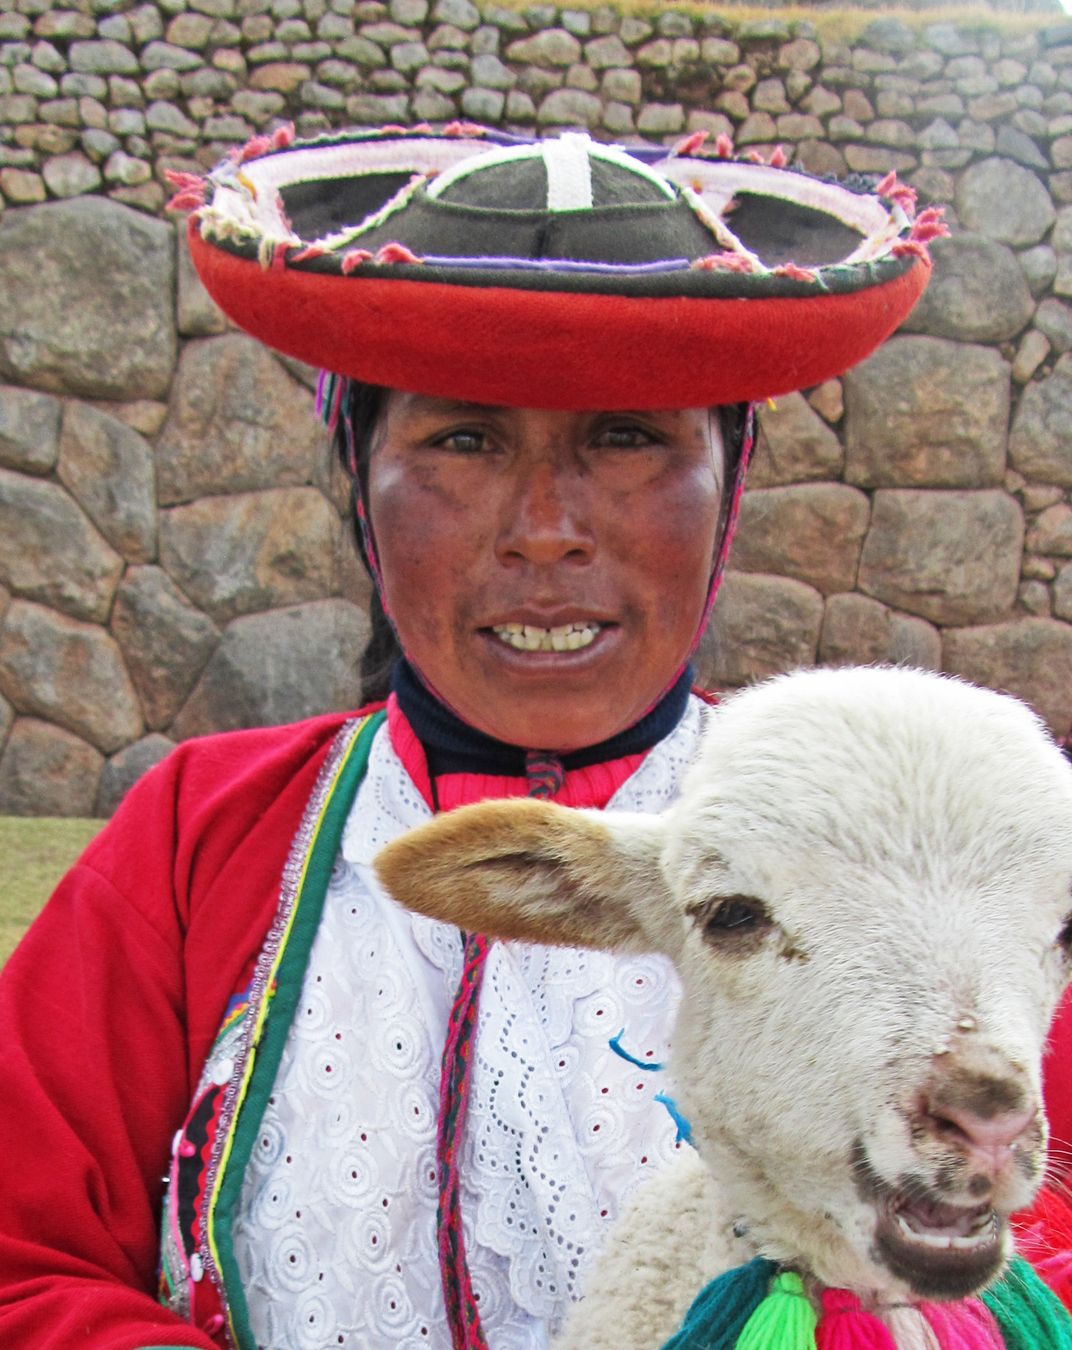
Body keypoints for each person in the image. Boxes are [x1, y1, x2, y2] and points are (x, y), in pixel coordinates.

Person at [2, 124, 1058, 1350]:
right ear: (360, 480)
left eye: (626, 438)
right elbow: (23, 1257)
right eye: (462, 439)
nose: (547, 530)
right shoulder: (207, 831)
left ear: (728, 482)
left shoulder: (927, 861)